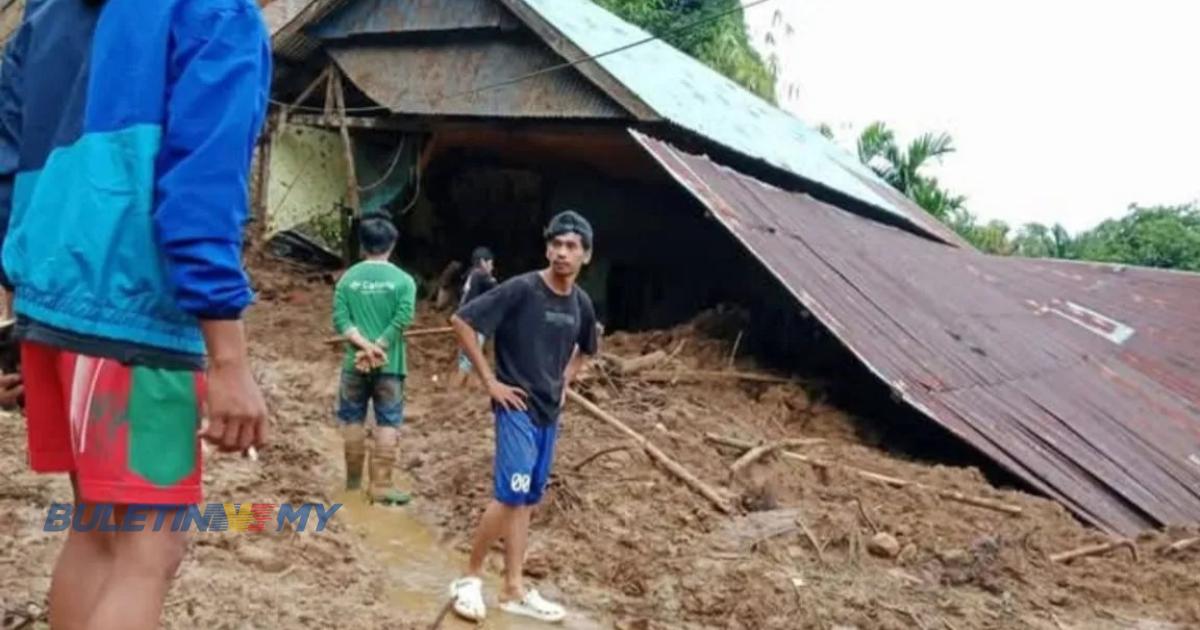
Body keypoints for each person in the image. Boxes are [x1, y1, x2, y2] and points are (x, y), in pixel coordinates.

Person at [0, 1, 271, 629]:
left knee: (97, 531)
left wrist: (14, 319)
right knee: (151, 548)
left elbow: (8, 171)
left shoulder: (45, 16)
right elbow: (203, 188)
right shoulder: (214, 13)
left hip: (53, 308)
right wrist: (229, 359)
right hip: (135, 315)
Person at [447, 211, 599, 623]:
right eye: (556, 244)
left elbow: (587, 347)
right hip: (515, 407)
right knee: (510, 494)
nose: (562, 253)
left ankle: (513, 588)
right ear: (547, 248)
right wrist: (489, 382)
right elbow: (462, 321)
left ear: (586, 255)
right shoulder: (521, 289)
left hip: (549, 412)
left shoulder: (582, 303)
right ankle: (469, 578)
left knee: (527, 501)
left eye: (571, 246)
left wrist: (566, 380)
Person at [332, 216, 417, 506]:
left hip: (353, 363)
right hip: (389, 364)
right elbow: (403, 318)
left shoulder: (347, 279)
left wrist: (364, 347)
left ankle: (353, 484)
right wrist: (378, 347)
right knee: (388, 422)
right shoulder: (404, 281)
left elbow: (341, 321)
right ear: (392, 244)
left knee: (352, 418)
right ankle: (380, 486)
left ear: (362, 245)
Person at [451, 246, 498, 387]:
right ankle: (454, 392)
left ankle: (465, 389)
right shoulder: (482, 275)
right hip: (473, 324)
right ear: (483, 262)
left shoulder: (470, 275)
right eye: (491, 263)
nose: (492, 267)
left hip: (462, 321)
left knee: (468, 359)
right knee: (469, 359)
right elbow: (500, 292)